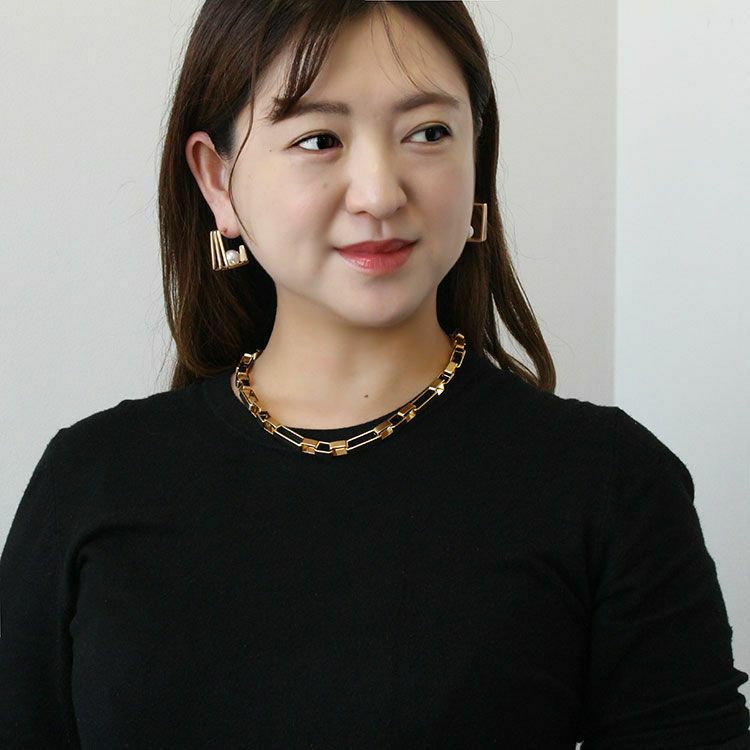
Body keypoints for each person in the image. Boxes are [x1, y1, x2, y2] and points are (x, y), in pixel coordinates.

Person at [1, 1, 748, 747]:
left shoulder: (609, 484)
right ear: (218, 180)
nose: (380, 193)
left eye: (428, 133)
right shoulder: (91, 479)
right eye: (318, 139)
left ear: (477, 153)